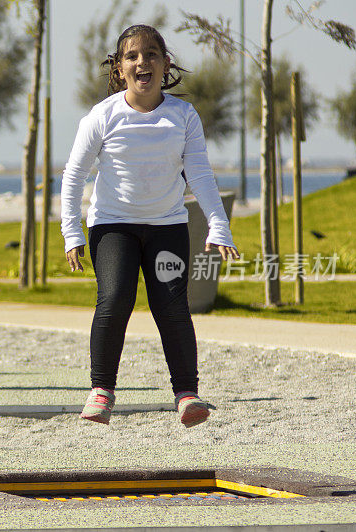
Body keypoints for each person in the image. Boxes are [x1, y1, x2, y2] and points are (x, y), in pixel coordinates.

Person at [60, 25, 240, 428]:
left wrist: (219, 225)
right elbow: (74, 176)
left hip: (167, 228)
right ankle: (101, 390)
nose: (142, 62)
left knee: (173, 306)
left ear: (165, 63)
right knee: (116, 297)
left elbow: (200, 174)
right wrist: (72, 233)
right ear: (120, 68)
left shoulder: (183, 116)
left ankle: (187, 394)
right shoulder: (102, 116)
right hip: (113, 227)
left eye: (152, 54)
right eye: (132, 56)